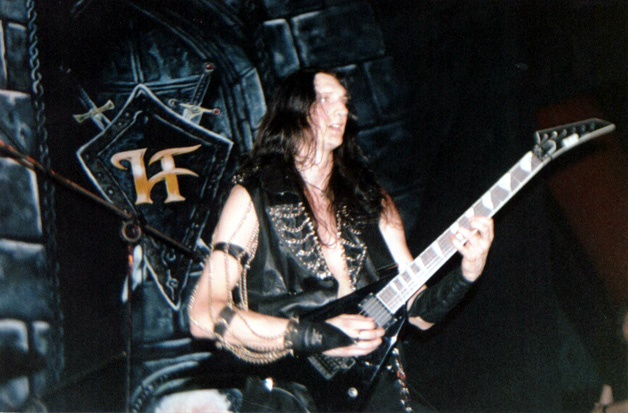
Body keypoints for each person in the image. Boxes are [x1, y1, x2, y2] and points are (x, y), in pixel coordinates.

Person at [188, 68, 494, 411]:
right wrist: (318, 336)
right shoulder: (251, 198)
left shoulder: (373, 201)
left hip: (373, 392)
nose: (341, 110)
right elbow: (203, 316)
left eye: (344, 102)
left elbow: (419, 315)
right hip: (289, 395)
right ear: (293, 110)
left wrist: (467, 272)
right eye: (325, 99)